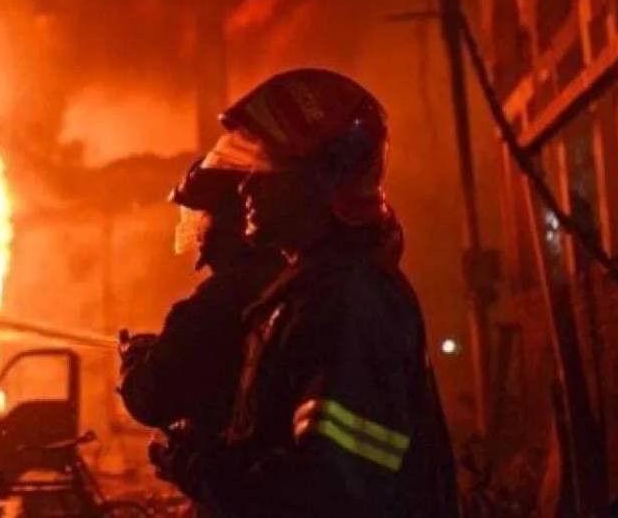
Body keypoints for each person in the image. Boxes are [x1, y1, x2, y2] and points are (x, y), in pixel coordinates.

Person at [150, 69, 459, 517]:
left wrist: (204, 468)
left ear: (322, 178)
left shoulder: (351, 302)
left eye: (265, 168)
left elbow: (333, 494)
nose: (245, 185)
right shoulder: (312, 294)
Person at [118, 150, 285, 438]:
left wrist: (134, 360)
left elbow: (151, 398)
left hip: (235, 462)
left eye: (202, 216)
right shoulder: (285, 281)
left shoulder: (215, 304)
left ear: (226, 223)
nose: (195, 230)